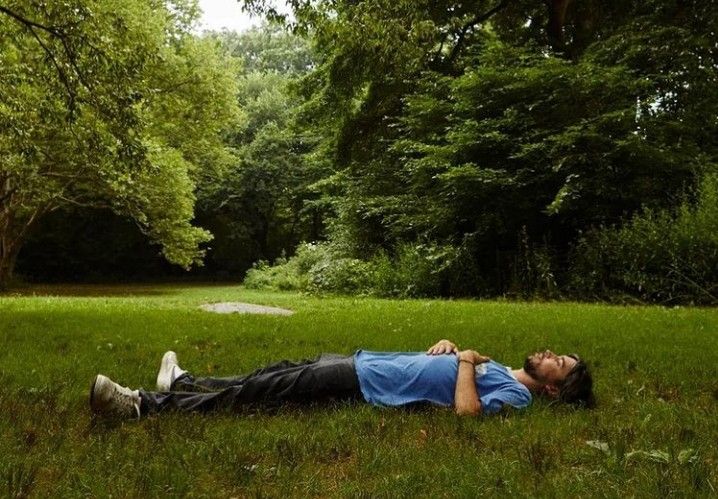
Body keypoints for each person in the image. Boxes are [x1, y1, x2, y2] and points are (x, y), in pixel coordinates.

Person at [89, 339, 594, 419]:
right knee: (274, 374)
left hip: (368, 384)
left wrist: (462, 361)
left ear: (553, 388)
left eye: (560, 364)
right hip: (368, 361)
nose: (550, 355)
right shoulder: (502, 369)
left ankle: (142, 407)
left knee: (264, 393)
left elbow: (467, 412)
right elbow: (450, 368)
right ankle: (185, 382)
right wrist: (445, 348)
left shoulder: (517, 397)